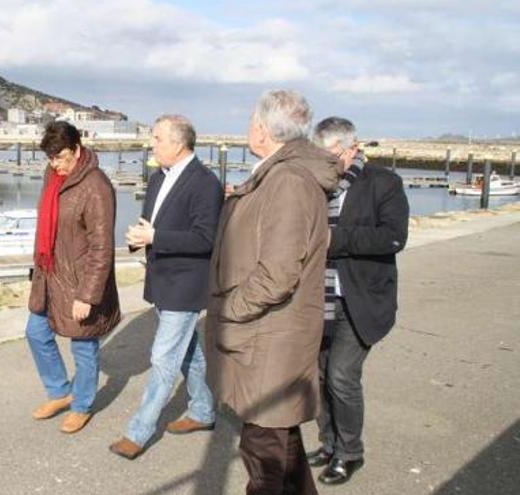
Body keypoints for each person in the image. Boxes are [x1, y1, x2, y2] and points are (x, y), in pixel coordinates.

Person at [205, 90, 342, 494]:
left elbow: (278, 275)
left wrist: (229, 308)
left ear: (263, 130)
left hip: (270, 340)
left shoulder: (288, 181)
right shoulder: (280, 175)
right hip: (267, 337)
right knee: (283, 447)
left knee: (264, 453)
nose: (248, 127)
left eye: (251, 121)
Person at [109, 115, 223, 460]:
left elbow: (206, 239)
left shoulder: (206, 184)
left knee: (162, 357)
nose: (152, 144)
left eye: (157, 138)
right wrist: (139, 240)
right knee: (188, 353)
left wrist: (155, 237)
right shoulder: (159, 177)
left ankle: (138, 432)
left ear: (178, 143)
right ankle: (203, 411)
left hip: (186, 284)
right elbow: (151, 225)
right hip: (160, 279)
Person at [306, 117, 409, 485]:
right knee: (318, 377)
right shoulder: (318, 185)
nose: (326, 164)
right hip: (319, 297)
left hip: (362, 299)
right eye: (320, 157)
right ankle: (329, 443)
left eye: (331, 156)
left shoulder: (384, 183)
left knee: (341, 376)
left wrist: (336, 239)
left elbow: (393, 238)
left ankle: (350, 453)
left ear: (351, 148)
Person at [25, 121, 121, 434]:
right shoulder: (52, 175)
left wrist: (87, 296)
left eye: (63, 157)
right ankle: (60, 391)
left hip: (81, 282)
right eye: (51, 158)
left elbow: (102, 247)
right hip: (51, 275)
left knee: (84, 346)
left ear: (77, 149)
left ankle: (81, 405)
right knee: (36, 333)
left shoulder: (96, 186)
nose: (57, 164)